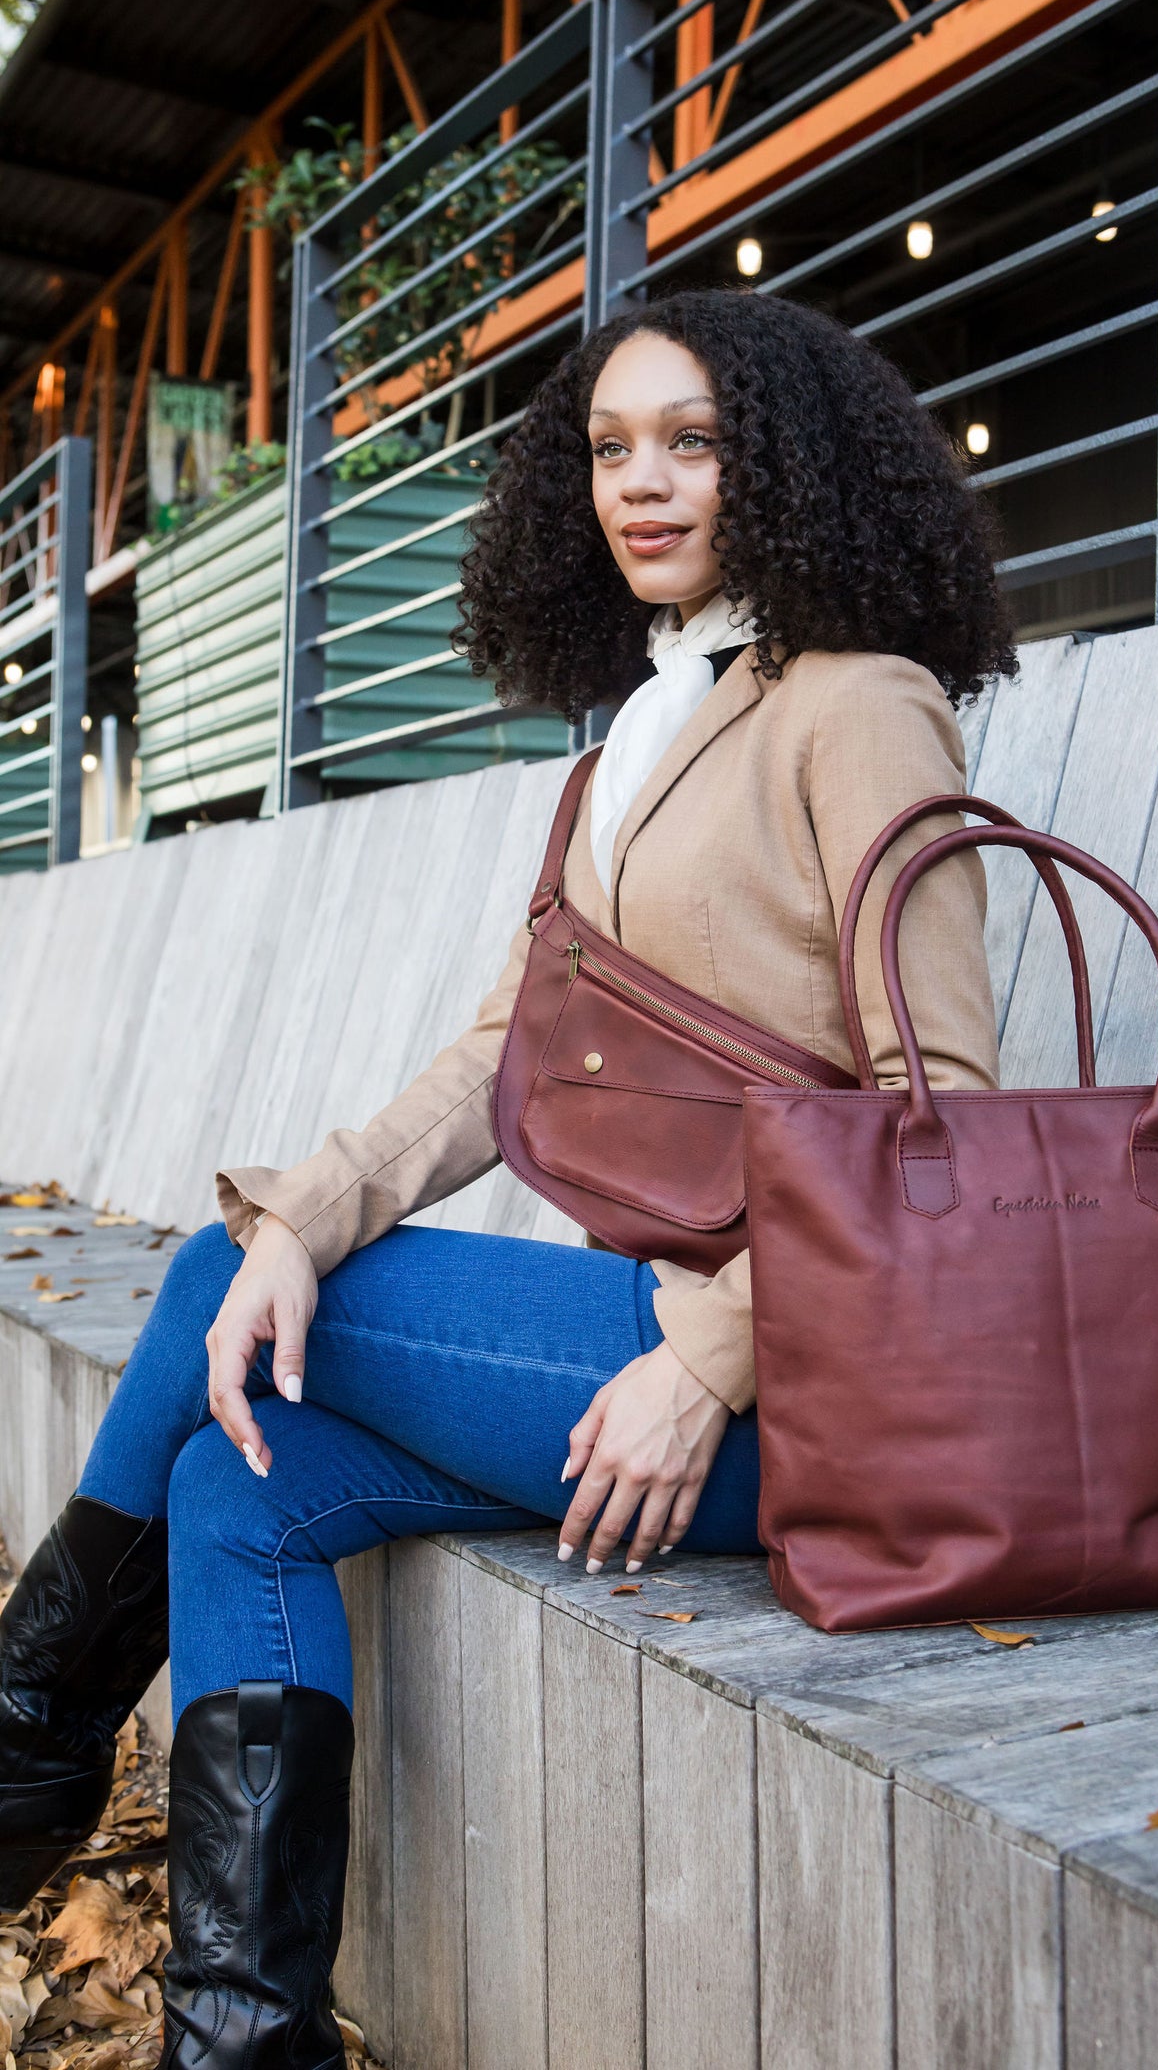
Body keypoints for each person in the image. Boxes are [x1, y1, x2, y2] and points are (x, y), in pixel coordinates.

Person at [0, 290, 1013, 2064]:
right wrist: (307, 1216)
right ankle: (245, 2043)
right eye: (610, 450)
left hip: (822, 1387)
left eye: (692, 443)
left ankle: (23, 1730)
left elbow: (947, 1115)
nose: (645, 485)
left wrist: (710, 1365)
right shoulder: (632, 732)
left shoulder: (861, 707)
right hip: (652, 1323)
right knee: (252, 1474)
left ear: (782, 466)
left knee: (196, 1295)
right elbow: (502, 1058)